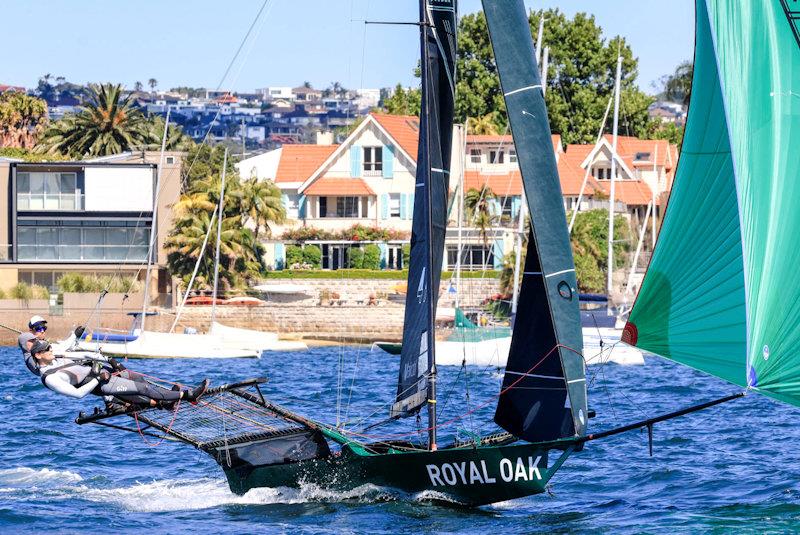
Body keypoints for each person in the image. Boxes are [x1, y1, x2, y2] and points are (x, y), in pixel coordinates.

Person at [28, 339, 209, 408]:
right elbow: (77, 395)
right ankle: (188, 395)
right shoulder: (50, 378)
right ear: (38, 355)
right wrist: (98, 378)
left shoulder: (56, 356)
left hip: (104, 371)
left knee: (137, 379)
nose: (51, 349)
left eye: (50, 346)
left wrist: (112, 362)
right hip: (102, 383)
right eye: (47, 349)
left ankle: (165, 402)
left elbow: (83, 354)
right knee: (143, 388)